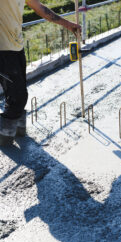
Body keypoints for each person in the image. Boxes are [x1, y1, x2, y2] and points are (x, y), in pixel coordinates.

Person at [0, 0, 81, 145]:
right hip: (4, 50)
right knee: (17, 96)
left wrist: (68, 24)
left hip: (17, 46)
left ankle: (18, 130)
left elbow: (41, 9)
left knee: (19, 91)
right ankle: (4, 136)